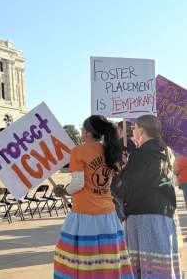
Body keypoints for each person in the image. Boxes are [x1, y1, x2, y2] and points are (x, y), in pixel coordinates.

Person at [53, 115, 133, 278]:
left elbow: (78, 183)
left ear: (88, 132)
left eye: (82, 128)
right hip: (108, 215)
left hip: (84, 214)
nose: (81, 131)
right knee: (107, 259)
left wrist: (64, 191)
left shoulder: (78, 151)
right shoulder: (110, 150)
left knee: (81, 261)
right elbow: (107, 181)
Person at [121, 115, 182, 278]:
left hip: (143, 214)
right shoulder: (167, 151)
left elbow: (130, 185)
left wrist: (123, 170)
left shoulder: (140, 154)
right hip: (164, 213)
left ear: (141, 129)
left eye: (134, 127)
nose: (132, 130)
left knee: (146, 266)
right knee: (162, 264)